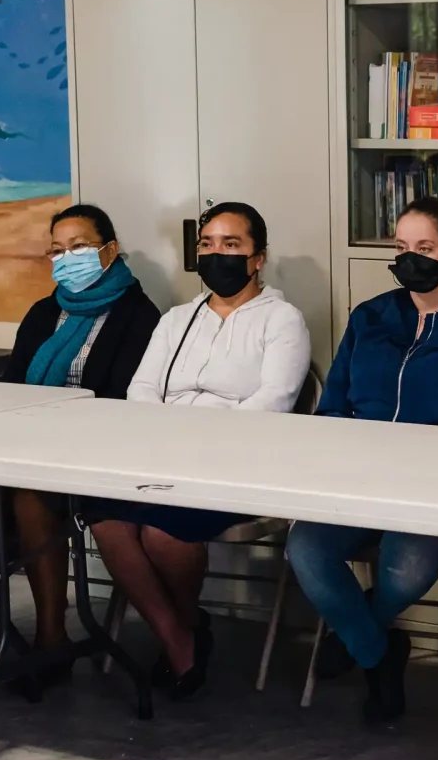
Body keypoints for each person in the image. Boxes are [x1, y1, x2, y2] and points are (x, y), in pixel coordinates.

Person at [285, 197, 438, 726]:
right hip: (358, 478)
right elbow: (334, 406)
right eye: (400, 247)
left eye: (425, 248)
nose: (409, 258)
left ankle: (361, 634)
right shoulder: (371, 316)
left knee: (408, 566)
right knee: (305, 547)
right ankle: (379, 654)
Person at [0, 204, 160, 692]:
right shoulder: (44, 312)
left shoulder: (138, 316)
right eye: (57, 250)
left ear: (109, 251)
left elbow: (123, 398)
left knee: (31, 500)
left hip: (93, 451)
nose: (66, 258)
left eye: (78, 247)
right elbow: (15, 387)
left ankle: (51, 641)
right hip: (24, 444)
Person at [89, 201, 311, 699]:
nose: (218, 255)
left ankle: (182, 628)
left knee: (164, 534)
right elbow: (142, 388)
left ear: (258, 258)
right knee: (104, 516)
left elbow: (274, 401)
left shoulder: (281, 320)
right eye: (208, 245)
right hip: (164, 451)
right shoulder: (176, 319)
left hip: (237, 460)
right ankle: (179, 634)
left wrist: (204, 438)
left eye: (232, 245)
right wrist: (169, 433)